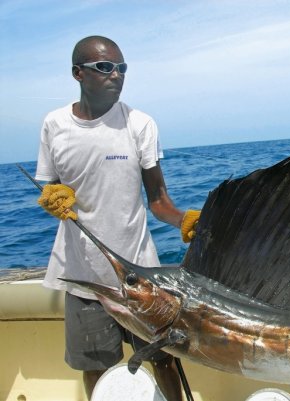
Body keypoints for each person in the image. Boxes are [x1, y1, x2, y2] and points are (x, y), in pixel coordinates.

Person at [35, 35, 200, 401]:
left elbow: (158, 201)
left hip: (140, 277)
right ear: (78, 73)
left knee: (164, 359)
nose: (116, 75)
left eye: (121, 68)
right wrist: (52, 198)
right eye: (105, 67)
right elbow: (50, 187)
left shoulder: (139, 124)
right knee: (96, 367)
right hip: (84, 277)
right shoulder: (54, 124)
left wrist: (186, 221)